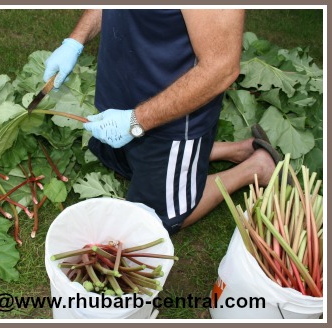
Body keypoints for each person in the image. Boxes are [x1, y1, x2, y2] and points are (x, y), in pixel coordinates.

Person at [43, 9, 278, 235]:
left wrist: (135, 121)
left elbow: (221, 68)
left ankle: (256, 167)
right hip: (119, 99)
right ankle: (235, 150)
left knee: (154, 219)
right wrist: (74, 41)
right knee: (118, 163)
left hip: (170, 118)